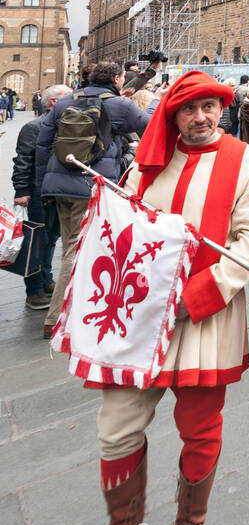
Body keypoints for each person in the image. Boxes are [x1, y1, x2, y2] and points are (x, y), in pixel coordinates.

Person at [61, 71, 249, 525]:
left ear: (222, 108)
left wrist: (192, 300)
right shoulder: (148, 161)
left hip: (202, 320)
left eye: (211, 107)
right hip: (140, 322)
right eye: (190, 109)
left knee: (199, 429)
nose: (201, 118)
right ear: (172, 115)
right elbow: (126, 229)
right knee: (116, 430)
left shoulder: (248, 162)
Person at [36, 61, 151, 340]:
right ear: (116, 78)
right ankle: (56, 319)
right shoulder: (118, 105)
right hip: (90, 185)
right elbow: (151, 127)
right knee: (76, 250)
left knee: (70, 246)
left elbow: (43, 143)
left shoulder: (65, 101)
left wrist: (43, 186)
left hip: (58, 184)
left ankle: (76, 305)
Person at [12, 84, 72, 313]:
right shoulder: (33, 127)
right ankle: (34, 290)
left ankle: (46, 280)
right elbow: (23, 160)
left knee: (51, 238)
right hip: (38, 192)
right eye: (68, 97)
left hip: (56, 192)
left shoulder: (65, 125)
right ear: (54, 103)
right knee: (36, 241)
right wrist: (21, 191)